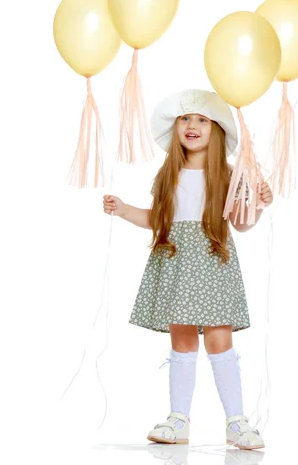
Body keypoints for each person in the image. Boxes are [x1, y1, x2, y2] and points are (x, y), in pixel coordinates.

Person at [102, 89, 273, 450]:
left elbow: (240, 224)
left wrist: (256, 205)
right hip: (176, 261)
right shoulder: (170, 175)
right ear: (176, 128)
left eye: (201, 120)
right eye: (185, 119)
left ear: (216, 130)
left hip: (212, 261)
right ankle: (178, 419)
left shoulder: (228, 176)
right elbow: (158, 220)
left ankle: (236, 421)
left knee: (219, 339)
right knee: (180, 339)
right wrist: (123, 208)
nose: (192, 125)